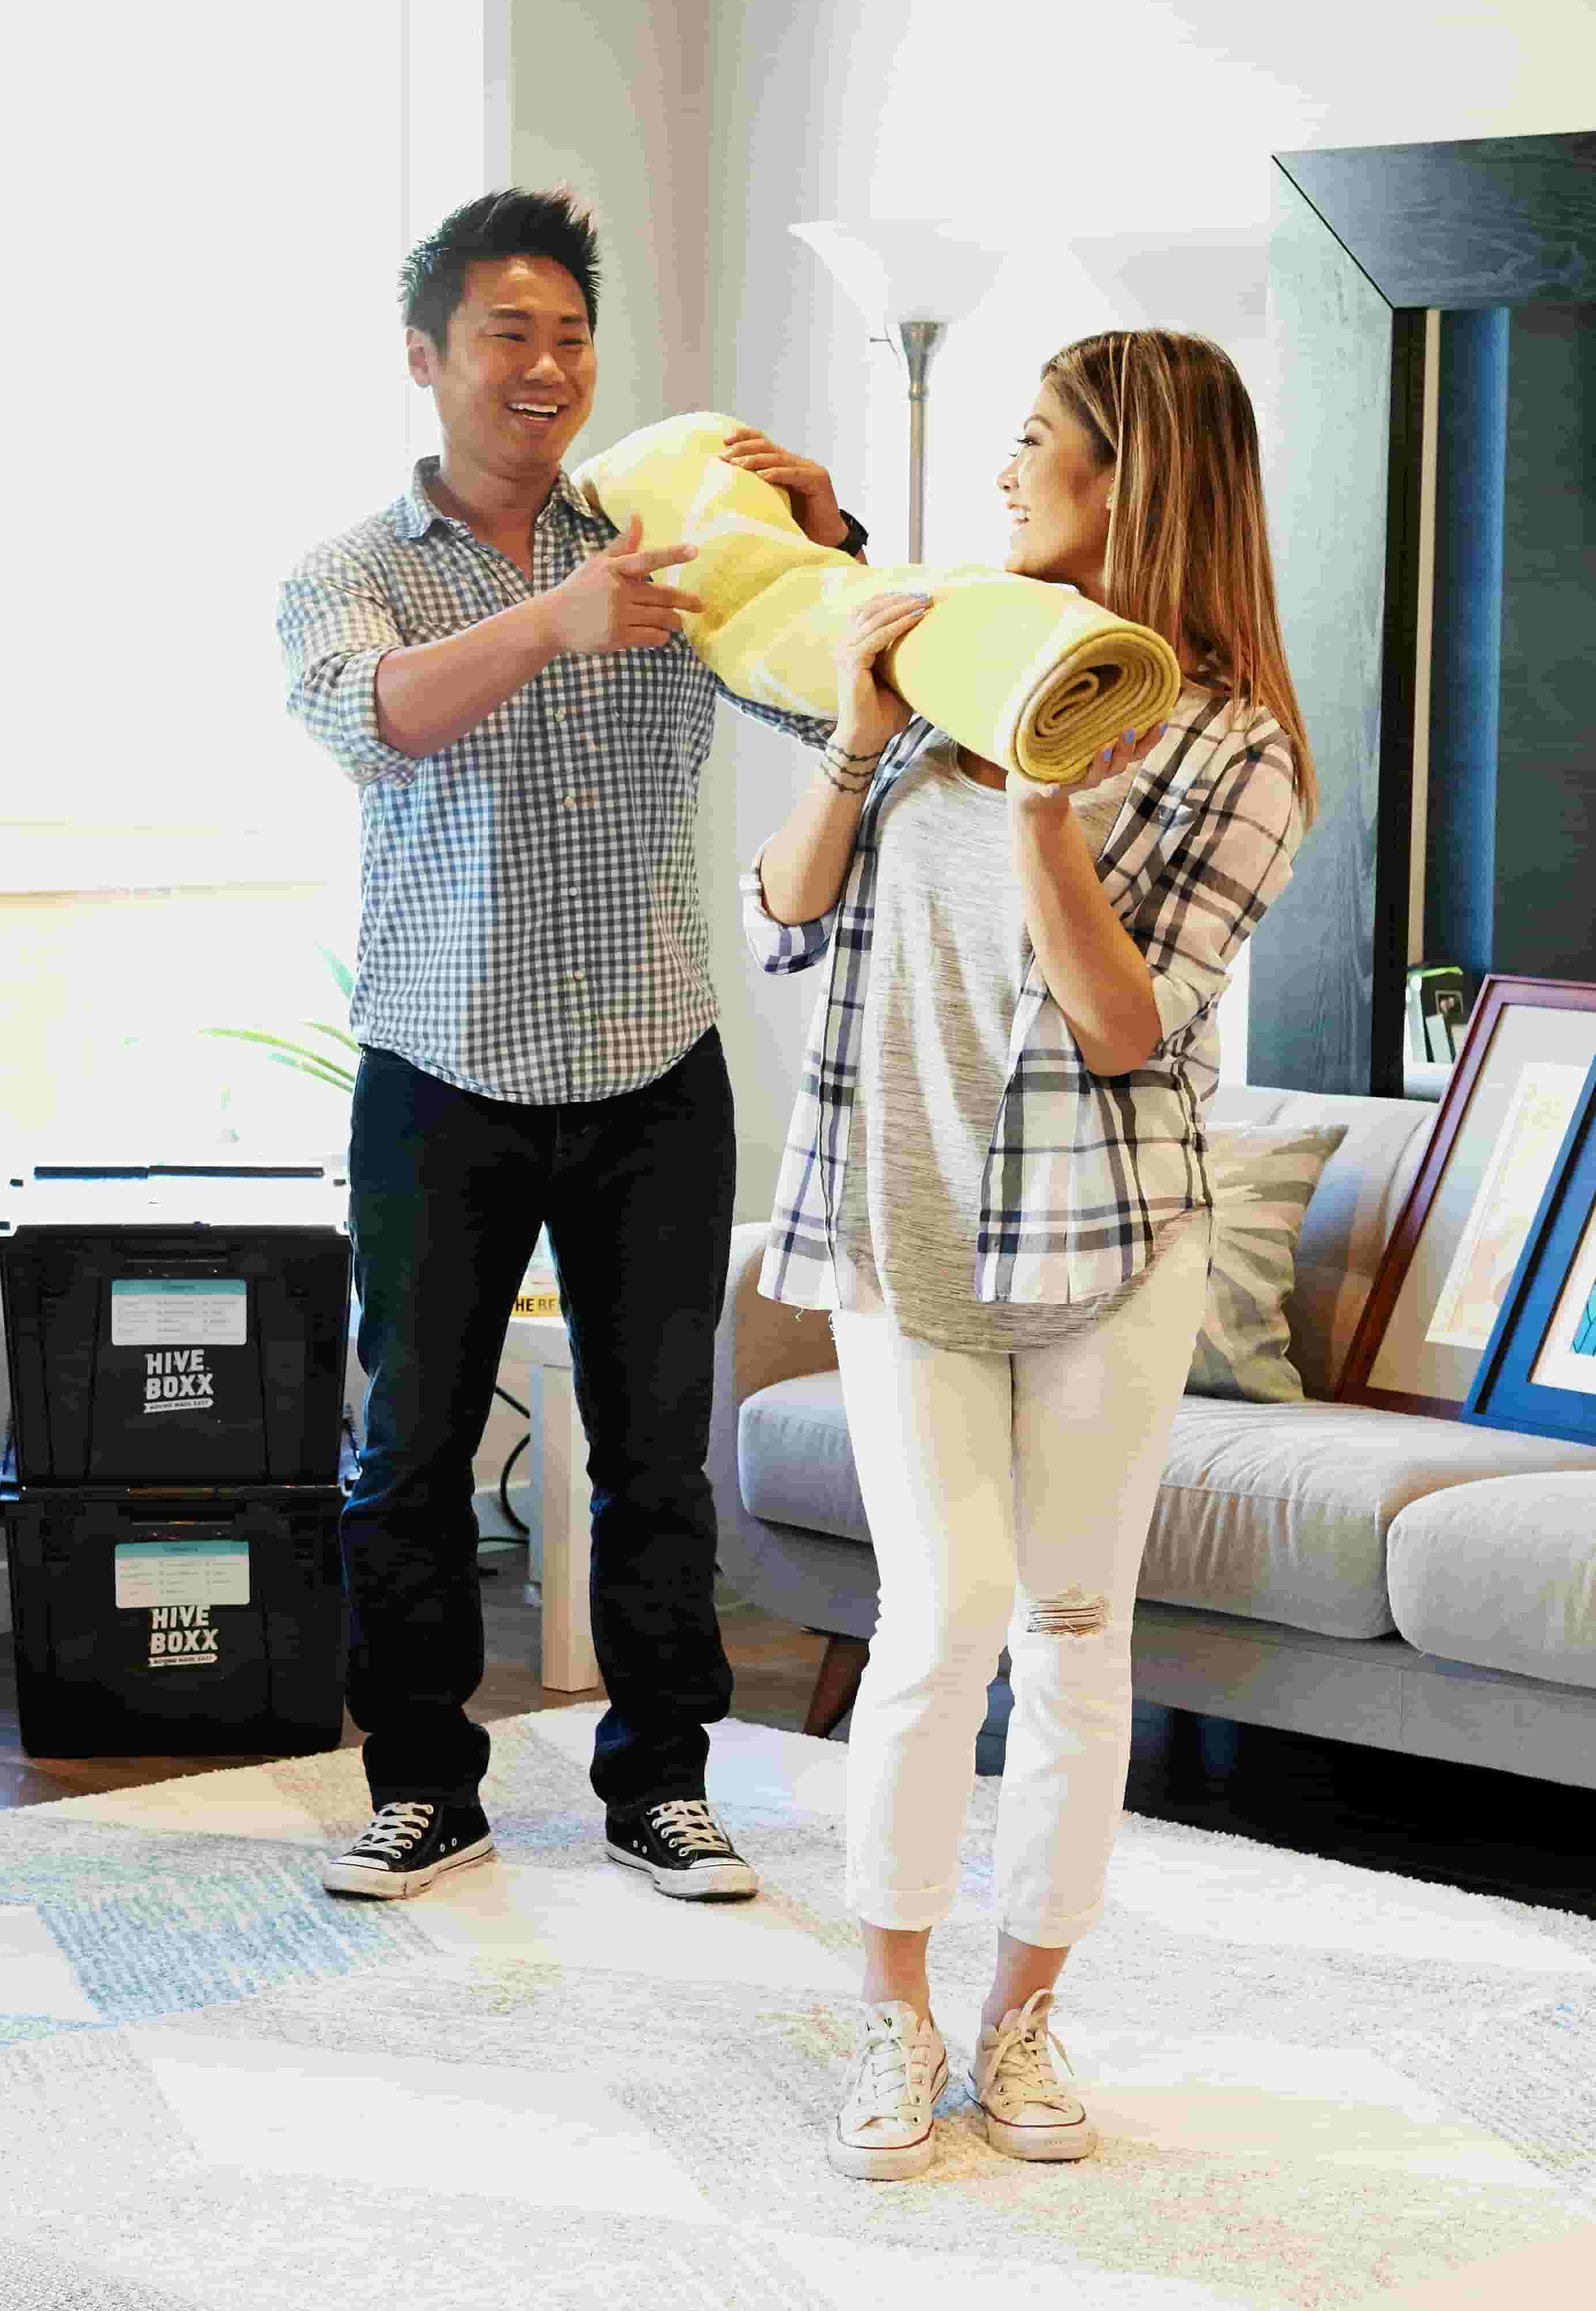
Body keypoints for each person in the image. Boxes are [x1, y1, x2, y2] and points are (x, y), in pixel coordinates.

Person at [745, 329, 1317, 2178]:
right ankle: (893, 2010)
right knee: (940, 1619)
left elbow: (1130, 1023)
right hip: (901, 1213)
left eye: (1034, 439)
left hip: (1109, 1234)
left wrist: (1045, 800)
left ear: (1128, 477)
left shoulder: (1237, 746)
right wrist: (857, 728)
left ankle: (1023, 2019)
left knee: (1073, 1632)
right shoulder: (952, 652)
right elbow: (787, 908)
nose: (1002, 472)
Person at [278, 188, 865, 1905]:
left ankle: (661, 1784)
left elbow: (831, 691)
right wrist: (554, 619)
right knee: (406, 1456)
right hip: (440, 1071)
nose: (546, 368)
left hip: (650, 1070)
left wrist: (820, 538)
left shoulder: (668, 538)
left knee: (656, 1456)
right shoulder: (353, 571)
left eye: (571, 337)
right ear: (426, 359)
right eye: (506, 336)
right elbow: (375, 719)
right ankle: (423, 1786)